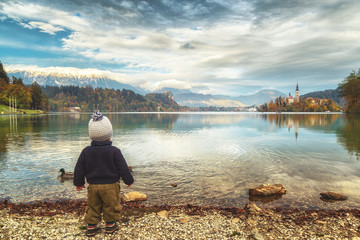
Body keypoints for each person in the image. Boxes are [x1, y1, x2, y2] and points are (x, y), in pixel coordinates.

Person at [73, 111, 134, 237]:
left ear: (92, 136)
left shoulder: (86, 151)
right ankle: (110, 226)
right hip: (111, 186)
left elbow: (79, 168)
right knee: (111, 206)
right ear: (109, 136)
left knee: (93, 206)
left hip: (93, 187)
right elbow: (123, 168)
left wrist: (78, 183)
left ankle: (91, 227)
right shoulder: (114, 151)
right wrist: (129, 180)